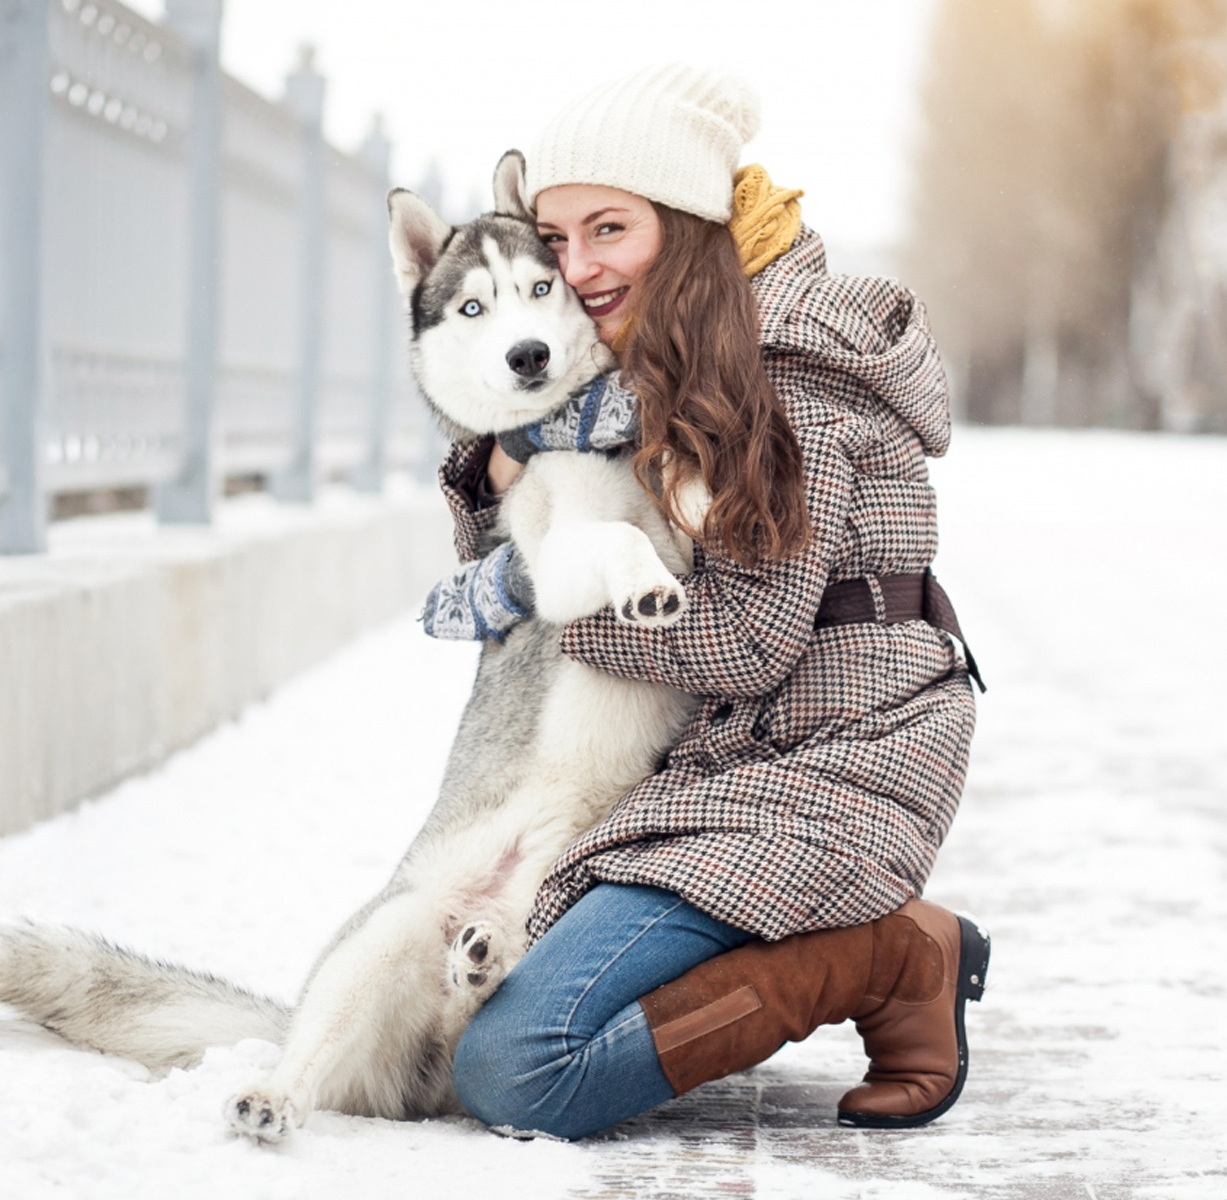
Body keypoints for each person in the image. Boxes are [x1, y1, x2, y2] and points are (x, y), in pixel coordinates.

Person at [421, 64, 984, 1141]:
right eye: (556, 236)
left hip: (833, 762)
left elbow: (744, 641)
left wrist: (540, 587)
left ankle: (891, 953)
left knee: (518, 1068)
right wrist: (506, 477)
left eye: (608, 230)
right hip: (714, 766)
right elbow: (551, 510)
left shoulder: (793, 372)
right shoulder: (664, 356)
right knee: (454, 1011)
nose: (575, 269)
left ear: (685, 224)